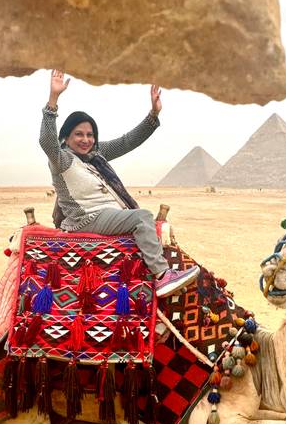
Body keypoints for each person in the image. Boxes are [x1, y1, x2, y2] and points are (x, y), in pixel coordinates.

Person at [39, 70, 199, 297]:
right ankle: (163, 276)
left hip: (108, 214)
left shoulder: (96, 154)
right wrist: (53, 100)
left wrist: (153, 115)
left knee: (143, 222)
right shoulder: (62, 159)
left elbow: (127, 141)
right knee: (142, 216)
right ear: (66, 137)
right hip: (86, 219)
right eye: (79, 134)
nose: (86, 140)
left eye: (90, 134)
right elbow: (46, 141)